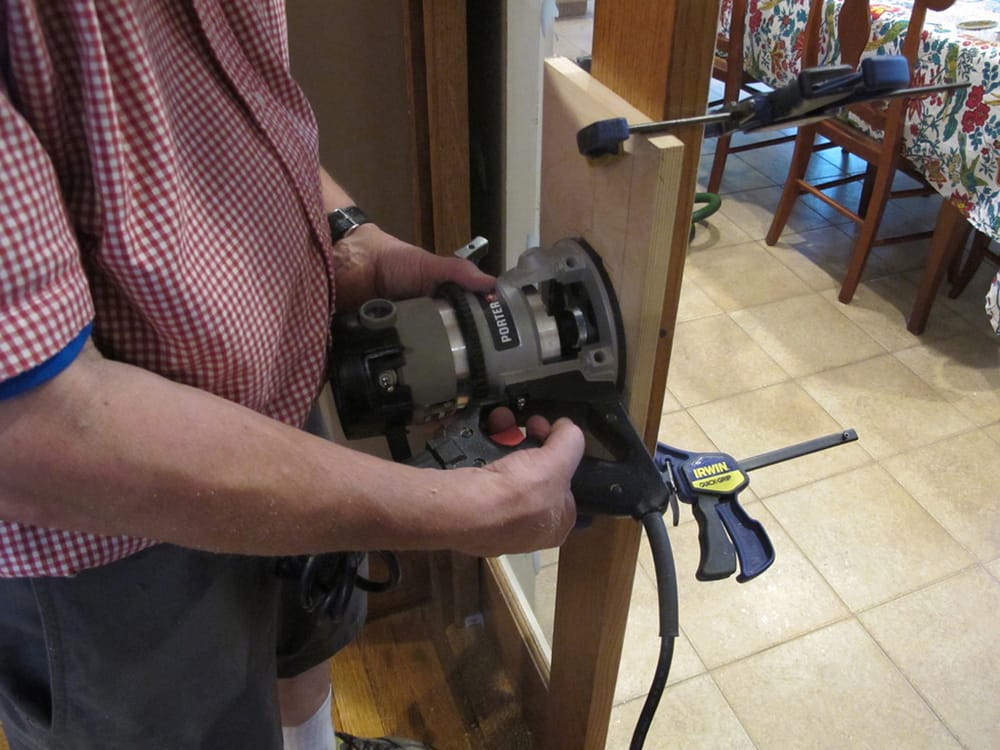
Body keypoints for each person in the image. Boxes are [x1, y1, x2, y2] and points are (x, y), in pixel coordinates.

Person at [0, 3, 583, 749]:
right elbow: (36, 430)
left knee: (302, 638)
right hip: (107, 535)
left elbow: (240, 113)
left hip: (277, 405)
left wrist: (351, 240)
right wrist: (457, 508)